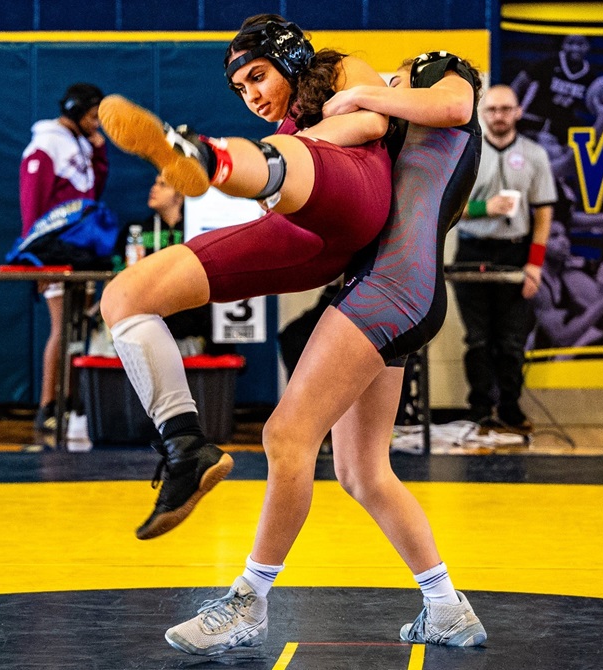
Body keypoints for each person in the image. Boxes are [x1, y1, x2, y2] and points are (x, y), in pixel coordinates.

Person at [163, 50, 487, 655]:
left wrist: (363, 97)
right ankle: (446, 607)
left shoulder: (428, 80)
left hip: (391, 288)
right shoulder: (393, 119)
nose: (367, 88)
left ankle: (248, 602)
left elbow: (455, 103)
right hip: (397, 289)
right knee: (362, 471)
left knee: (287, 436)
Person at [98, 15, 392, 541]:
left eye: (258, 77)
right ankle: (185, 445)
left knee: (290, 155)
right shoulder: (281, 140)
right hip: (305, 237)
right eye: (240, 89)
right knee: (124, 297)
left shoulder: (340, 69)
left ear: (290, 58)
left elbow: (372, 124)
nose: (251, 95)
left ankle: (204, 154)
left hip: (358, 201)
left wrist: (291, 148)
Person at [453, 84, 557, 434]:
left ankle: (510, 407)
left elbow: (543, 212)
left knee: (512, 340)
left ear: (518, 112)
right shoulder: (467, 154)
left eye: (505, 109)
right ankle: (480, 409)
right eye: (493, 109)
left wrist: (535, 263)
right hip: (473, 250)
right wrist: (485, 208)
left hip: (516, 250)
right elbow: (448, 209)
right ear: (484, 114)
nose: (499, 116)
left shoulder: (534, 155)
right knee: (478, 339)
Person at [19, 82, 108, 432]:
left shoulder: (80, 144)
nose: (97, 122)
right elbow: (32, 205)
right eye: (92, 115)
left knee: (77, 327)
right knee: (61, 326)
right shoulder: (45, 144)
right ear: (74, 111)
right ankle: (48, 403)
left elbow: (94, 191)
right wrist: (36, 258)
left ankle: (70, 399)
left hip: (80, 248)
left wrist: (99, 154)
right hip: (55, 250)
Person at [511, 34, 596, 145]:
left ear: (588, 46)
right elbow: (519, 83)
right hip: (531, 119)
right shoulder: (548, 64)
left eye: (580, 44)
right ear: (562, 44)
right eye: (570, 43)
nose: (575, 48)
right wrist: (511, 109)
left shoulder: (590, 76)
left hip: (560, 126)